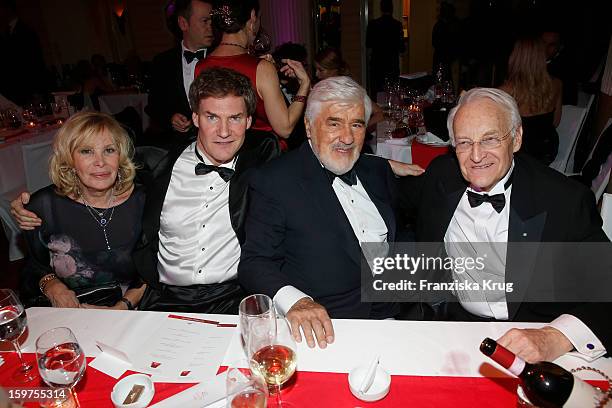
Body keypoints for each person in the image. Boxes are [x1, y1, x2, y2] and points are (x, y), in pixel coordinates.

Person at [14, 68, 280, 314]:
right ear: (196, 118)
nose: (224, 131)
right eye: (212, 117)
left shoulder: (263, 161)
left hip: (233, 295)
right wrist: (31, 203)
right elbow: (97, 176)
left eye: (234, 118)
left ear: (248, 121)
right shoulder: (157, 161)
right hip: (166, 296)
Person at [401, 87, 611, 363]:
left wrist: (555, 337)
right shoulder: (442, 178)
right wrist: (377, 166)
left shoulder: (564, 202)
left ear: (516, 138)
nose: (476, 156)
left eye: (489, 139)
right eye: (464, 143)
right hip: (452, 326)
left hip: (531, 334)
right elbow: (383, 198)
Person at [238, 76, 423, 349]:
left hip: (394, 318)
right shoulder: (275, 181)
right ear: (309, 127)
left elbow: (403, 229)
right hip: (326, 330)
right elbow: (255, 262)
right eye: (334, 123)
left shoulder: (377, 171)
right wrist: (296, 302)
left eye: (357, 124)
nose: (347, 138)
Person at [20, 112, 146, 310]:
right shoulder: (44, 206)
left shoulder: (143, 200)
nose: (100, 161)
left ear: (120, 156)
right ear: (69, 160)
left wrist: (121, 308)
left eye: (109, 150)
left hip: (132, 308)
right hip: (72, 312)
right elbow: (35, 265)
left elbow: (158, 267)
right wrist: (53, 286)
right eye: (86, 151)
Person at [195, 0, 310, 151]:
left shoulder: (201, 66)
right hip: (263, 157)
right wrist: (304, 84)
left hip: (223, 152)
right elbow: (285, 128)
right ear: (252, 17)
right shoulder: (261, 68)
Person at [146, 0, 214, 148]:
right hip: (177, 146)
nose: (211, 27)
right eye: (205, 21)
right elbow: (153, 106)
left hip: (217, 143)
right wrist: (170, 118)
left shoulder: (220, 58)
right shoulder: (162, 62)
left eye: (212, 21)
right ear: (183, 23)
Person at [500, 37, 562, 165]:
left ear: (516, 57)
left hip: (520, 155)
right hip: (547, 150)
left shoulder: (506, 90)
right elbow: (556, 122)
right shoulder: (556, 84)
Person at [0, 0, 47, 106]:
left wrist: (36, 90)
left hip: (27, 89)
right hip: (13, 90)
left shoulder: (25, 32)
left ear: (7, 9)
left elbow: (34, 61)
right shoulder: (6, 33)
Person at [366, 0, 405, 97]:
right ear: (392, 9)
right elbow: (402, 49)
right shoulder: (397, 25)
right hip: (392, 65)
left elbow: (368, 44)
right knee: (392, 94)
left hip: (377, 65)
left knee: (376, 93)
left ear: (381, 9)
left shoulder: (373, 24)